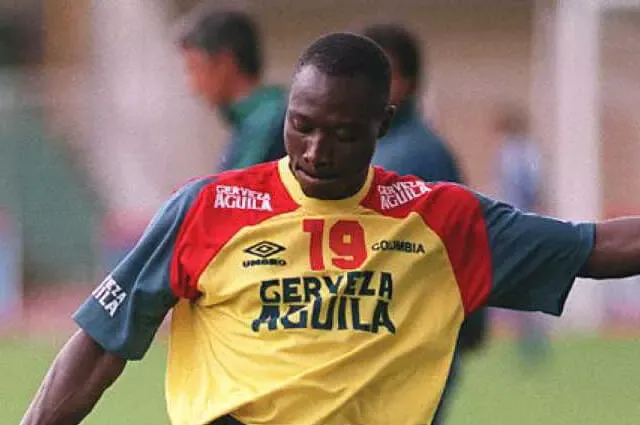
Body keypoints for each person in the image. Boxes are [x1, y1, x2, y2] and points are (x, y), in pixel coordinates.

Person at [20, 32, 640, 425]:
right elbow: (102, 337)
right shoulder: (207, 208)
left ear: (383, 124)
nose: (315, 150)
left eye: (342, 133)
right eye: (301, 124)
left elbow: (597, 246)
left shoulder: (440, 218)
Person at [363, 23, 485, 424]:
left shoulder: (414, 155)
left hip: (405, 347)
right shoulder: (378, 148)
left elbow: (460, 241)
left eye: (380, 74)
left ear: (409, 82)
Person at [179, 7, 287, 171]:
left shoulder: (267, 121)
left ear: (224, 63)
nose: (193, 87)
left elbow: (234, 188)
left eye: (195, 69)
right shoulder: (247, 124)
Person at [495, 105, 549, 364]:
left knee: (524, 280)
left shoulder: (522, 153)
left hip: (521, 224)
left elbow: (533, 191)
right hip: (516, 222)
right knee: (520, 281)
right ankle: (528, 340)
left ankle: (533, 339)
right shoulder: (514, 152)